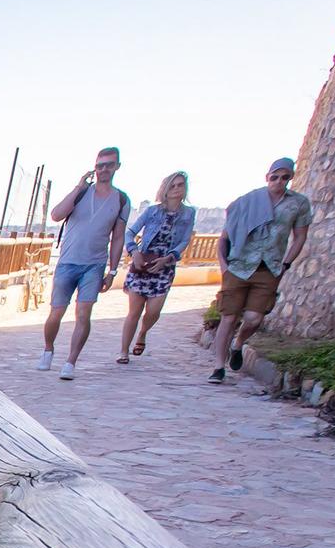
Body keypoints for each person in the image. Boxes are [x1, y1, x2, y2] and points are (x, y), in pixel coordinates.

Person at [209, 158, 313, 384]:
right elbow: (225, 237)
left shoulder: (298, 204)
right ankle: (218, 367)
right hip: (239, 265)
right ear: (267, 177)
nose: (278, 181)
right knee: (228, 316)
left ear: (290, 178)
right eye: (274, 177)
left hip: (269, 266)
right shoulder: (248, 201)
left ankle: (238, 344)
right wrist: (224, 267)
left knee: (254, 318)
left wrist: (286, 263)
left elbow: (300, 236)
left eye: (284, 177)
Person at [39, 147, 131, 380]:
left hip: (95, 264)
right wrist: (79, 187)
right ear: (94, 167)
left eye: (109, 165)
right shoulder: (82, 193)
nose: (104, 169)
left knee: (83, 312)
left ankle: (70, 362)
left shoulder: (120, 199)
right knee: (56, 312)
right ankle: (48, 349)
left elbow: (118, 236)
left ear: (117, 167)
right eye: (100, 165)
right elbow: (56, 215)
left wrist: (112, 270)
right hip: (68, 261)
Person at [116, 171, 195, 362]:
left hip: (164, 266)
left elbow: (184, 240)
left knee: (154, 311)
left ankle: (142, 333)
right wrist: (134, 252)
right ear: (165, 189)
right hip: (143, 263)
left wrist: (168, 258)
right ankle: (124, 352)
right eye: (173, 185)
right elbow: (131, 232)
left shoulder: (188, 213)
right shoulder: (152, 211)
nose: (176, 189)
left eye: (180, 185)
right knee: (134, 311)